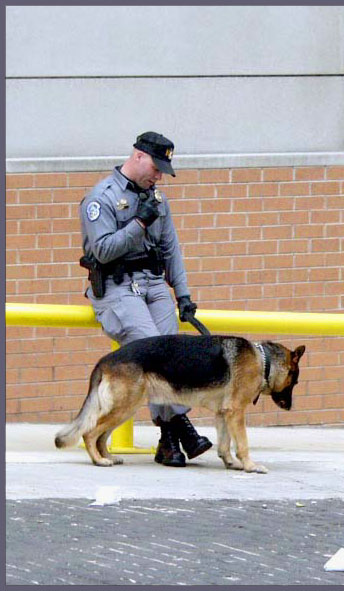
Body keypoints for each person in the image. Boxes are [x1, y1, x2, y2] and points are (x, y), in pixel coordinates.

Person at [79, 131, 212, 467]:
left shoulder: (157, 199)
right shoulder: (101, 198)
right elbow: (103, 250)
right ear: (138, 156)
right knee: (156, 355)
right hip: (117, 288)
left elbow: (171, 249)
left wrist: (183, 295)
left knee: (172, 356)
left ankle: (169, 443)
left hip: (153, 287)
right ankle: (179, 428)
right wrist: (140, 222)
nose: (159, 175)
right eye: (156, 166)